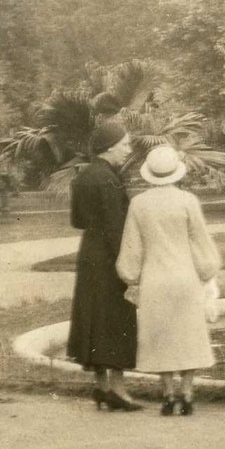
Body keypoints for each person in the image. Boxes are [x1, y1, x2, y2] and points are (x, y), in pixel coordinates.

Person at [116, 145, 224, 417]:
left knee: (160, 335)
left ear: (149, 174)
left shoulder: (139, 204)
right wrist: (208, 269)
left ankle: (167, 393)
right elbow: (200, 241)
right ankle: (186, 393)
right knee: (189, 335)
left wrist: (130, 275)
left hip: (155, 279)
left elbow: (132, 248)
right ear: (176, 172)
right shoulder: (187, 201)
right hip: (185, 276)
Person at [67, 119, 143, 411]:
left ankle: (100, 386)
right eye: (124, 144)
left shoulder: (84, 176)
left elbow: (77, 221)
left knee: (93, 316)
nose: (127, 149)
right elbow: (116, 227)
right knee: (116, 318)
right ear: (110, 147)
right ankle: (119, 390)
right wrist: (129, 263)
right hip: (111, 255)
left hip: (89, 253)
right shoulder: (110, 178)